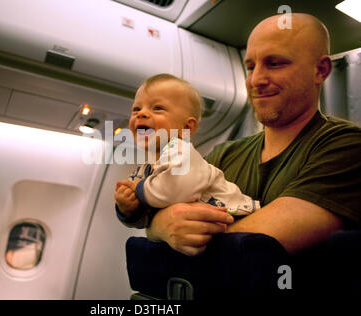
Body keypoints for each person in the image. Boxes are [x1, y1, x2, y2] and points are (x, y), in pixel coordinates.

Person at [144, 13, 361, 257]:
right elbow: (164, 217)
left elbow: (255, 246)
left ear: (320, 70)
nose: (255, 79)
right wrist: (161, 225)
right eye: (250, 67)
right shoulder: (224, 154)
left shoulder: (347, 146)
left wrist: (166, 226)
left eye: (275, 63)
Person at [114, 73, 260, 229]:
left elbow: (174, 190)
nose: (141, 113)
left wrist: (138, 188)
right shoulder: (144, 170)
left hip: (241, 221)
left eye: (157, 108)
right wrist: (128, 208)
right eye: (136, 109)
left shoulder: (182, 152)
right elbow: (148, 220)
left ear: (186, 128)